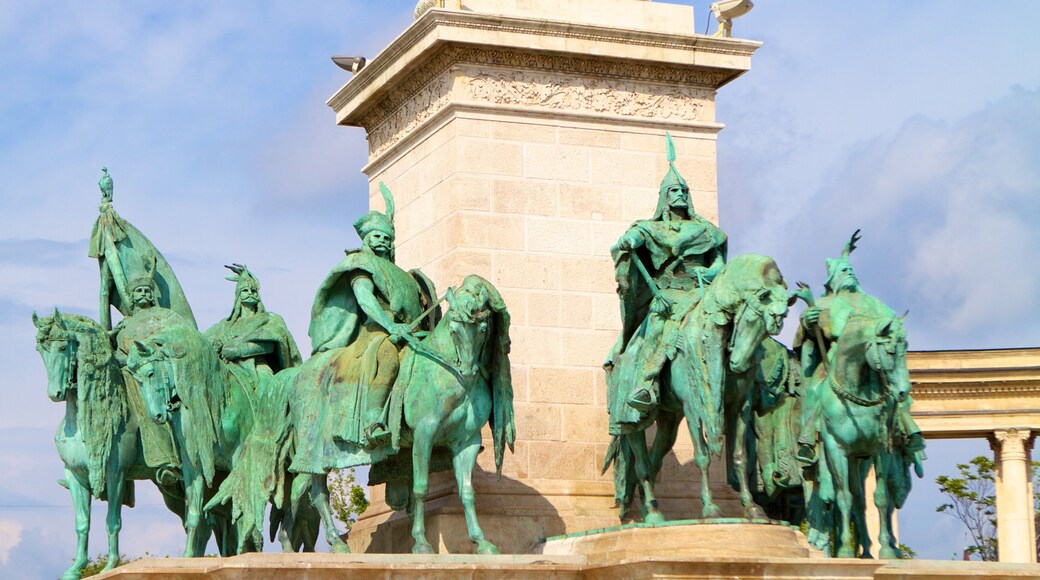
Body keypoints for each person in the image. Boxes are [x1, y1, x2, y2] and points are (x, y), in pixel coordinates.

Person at [604, 133, 728, 435]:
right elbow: (628, 242)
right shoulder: (650, 228)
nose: (680, 195)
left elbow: (719, 263)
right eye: (674, 190)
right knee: (659, 325)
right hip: (668, 293)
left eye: (684, 190)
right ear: (664, 197)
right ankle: (647, 384)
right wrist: (628, 241)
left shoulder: (706, 230)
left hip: (701, 293)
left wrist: (711, 274)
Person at [305, 183, 436, 447]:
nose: (383, 241)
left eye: (387, 238)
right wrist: (390, 326)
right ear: (365, 240)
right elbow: (365, 300)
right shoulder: (360, 264)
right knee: (388, 358)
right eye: (377, 237)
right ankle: (372, 418)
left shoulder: (405, 276)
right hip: (377, 332)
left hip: (411, 332)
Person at [794, 231, 925, 465]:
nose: (849, 274)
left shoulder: (872, 302)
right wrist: (807, 321)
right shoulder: (825, 303)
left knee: (896, 389)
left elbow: (890, 324)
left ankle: (907, 430)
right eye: (844, 271)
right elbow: (808, 336)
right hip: (835, 360)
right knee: (814, 390)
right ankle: (808, 436)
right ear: (833, 279)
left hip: (873, 359)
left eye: (851, 270)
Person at [111, 272, 191, 485]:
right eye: (138, 291)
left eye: (147, 290)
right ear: (132, 297)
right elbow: (119, 353)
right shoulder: (125, 325)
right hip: (129, 374)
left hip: (158, 373)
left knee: (151, 405)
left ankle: (167, 460)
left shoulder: (165, 315)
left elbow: (182, 335)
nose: (144, 294)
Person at [205, 264, 301, 390]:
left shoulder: (270, 319)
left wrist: (238, 351)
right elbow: (202, 342)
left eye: (253, 291)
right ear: (238, 296)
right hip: (226, 370)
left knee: (265, 389)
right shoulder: (225, 325)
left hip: (258, 369)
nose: (250, 293)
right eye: (245, 290)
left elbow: (270, 345)